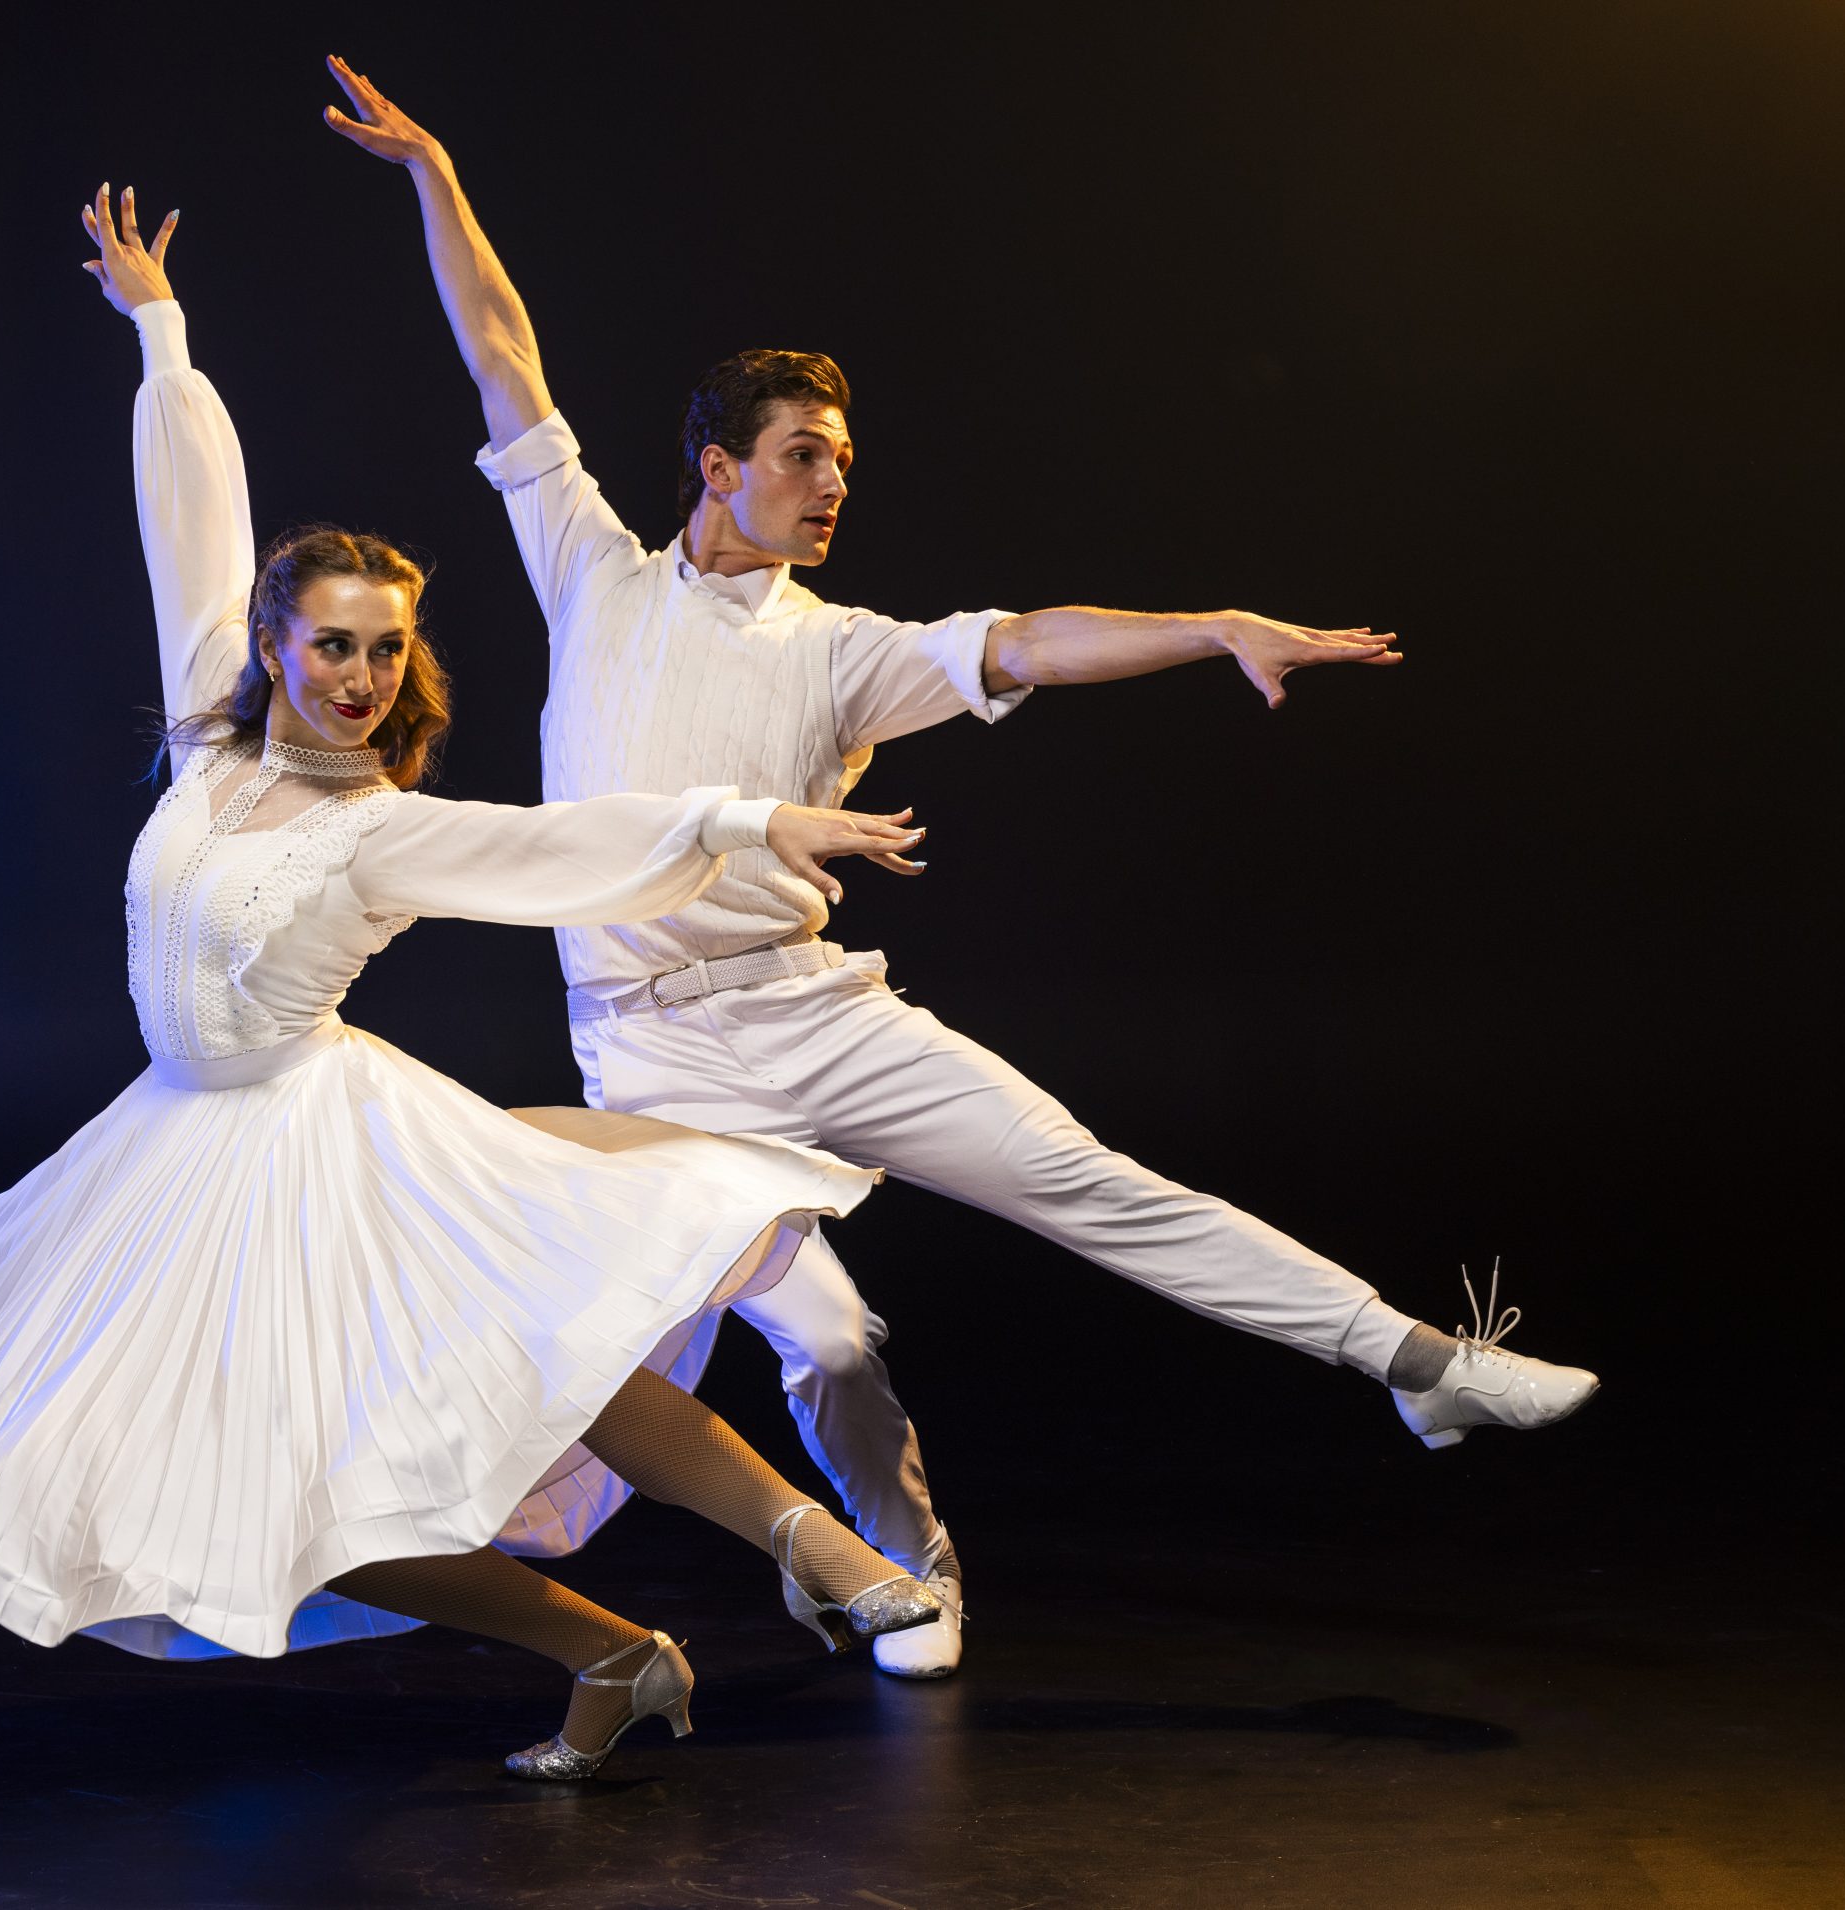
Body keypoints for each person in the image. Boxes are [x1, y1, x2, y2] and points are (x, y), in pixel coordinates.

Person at [321, 56, 1602, 1680]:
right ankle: (907, 1573)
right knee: (834, 1335)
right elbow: (504, 358)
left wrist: (1214, 625)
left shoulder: (844, 648)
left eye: (843, 460)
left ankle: (1414, 1358)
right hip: (656, 1059)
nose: (833, 480)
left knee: (1090, 1181)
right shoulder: (593, 574)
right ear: (717, 466)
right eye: (803, 453)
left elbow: (1032, 642)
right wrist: (437, 174)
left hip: (817, 1013)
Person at [0, 185, 948, 1782]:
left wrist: (750, 822)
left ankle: (814, 1546)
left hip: (319, 1150)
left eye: (388, 650)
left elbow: (567, 845)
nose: (362, 677)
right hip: (162, 1161)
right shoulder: (204, 738)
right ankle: (615, 1653)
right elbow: (190, 521)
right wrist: (161, 335)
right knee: (286, 1506)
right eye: (336, 645)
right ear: (273, 644)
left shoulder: (381, 827)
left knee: (542, 1346)